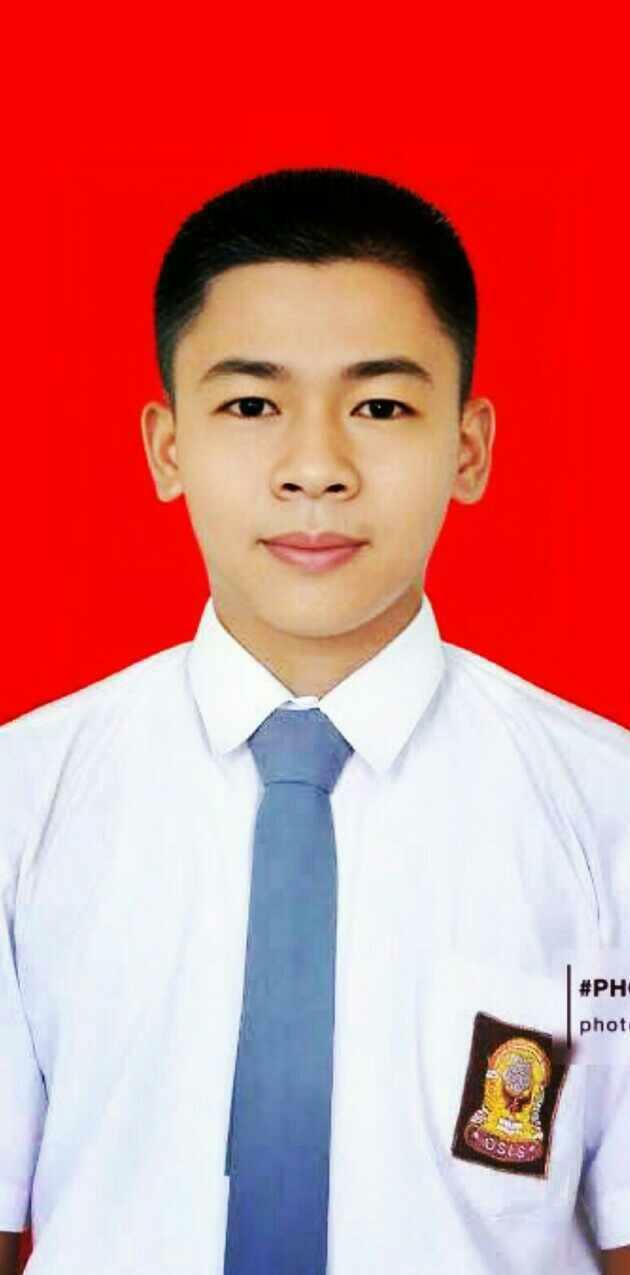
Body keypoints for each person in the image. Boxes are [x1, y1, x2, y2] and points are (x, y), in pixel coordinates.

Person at [1, 168, 629, 1275]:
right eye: (252, 405)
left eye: (380, 406)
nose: (316, 469)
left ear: (470, 447)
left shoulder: (604, 809)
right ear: (167, 447)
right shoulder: (25, 799)